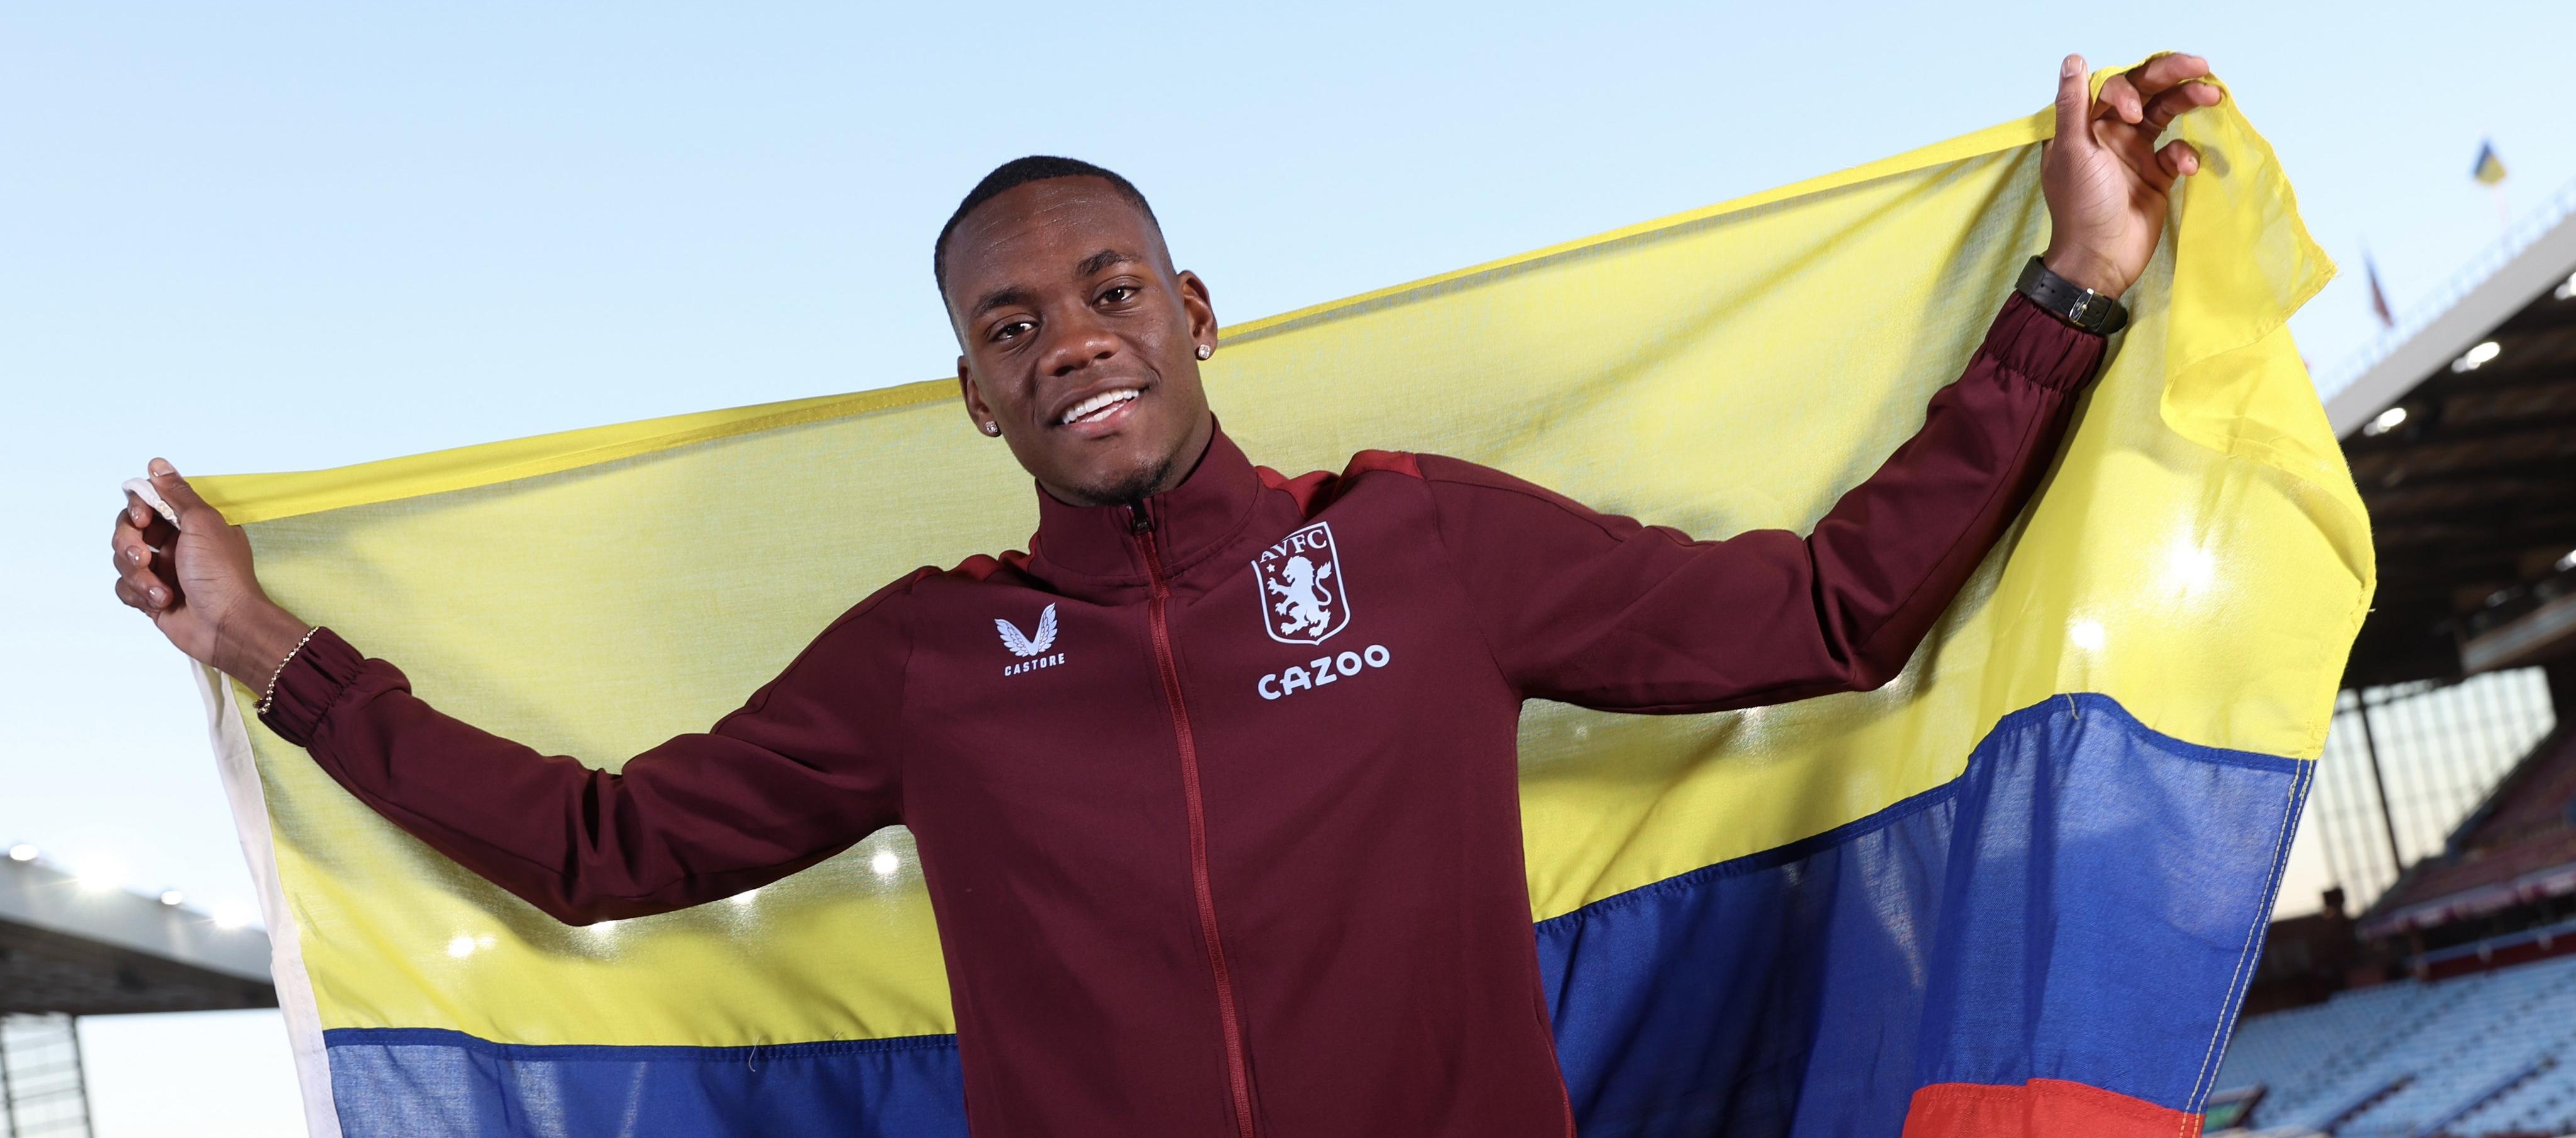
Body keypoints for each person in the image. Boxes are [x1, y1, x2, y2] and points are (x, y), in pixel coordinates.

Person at [111, 53, 2222, 1138]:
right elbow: (606, 846)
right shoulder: (931, 658)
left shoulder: (1418, 544)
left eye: (1109, 288)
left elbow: (1837, 612)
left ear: (1195, 309)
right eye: (1012, 322)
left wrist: (2076, 281)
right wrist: (266, 646)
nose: (1073, 339)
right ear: (973, 391)